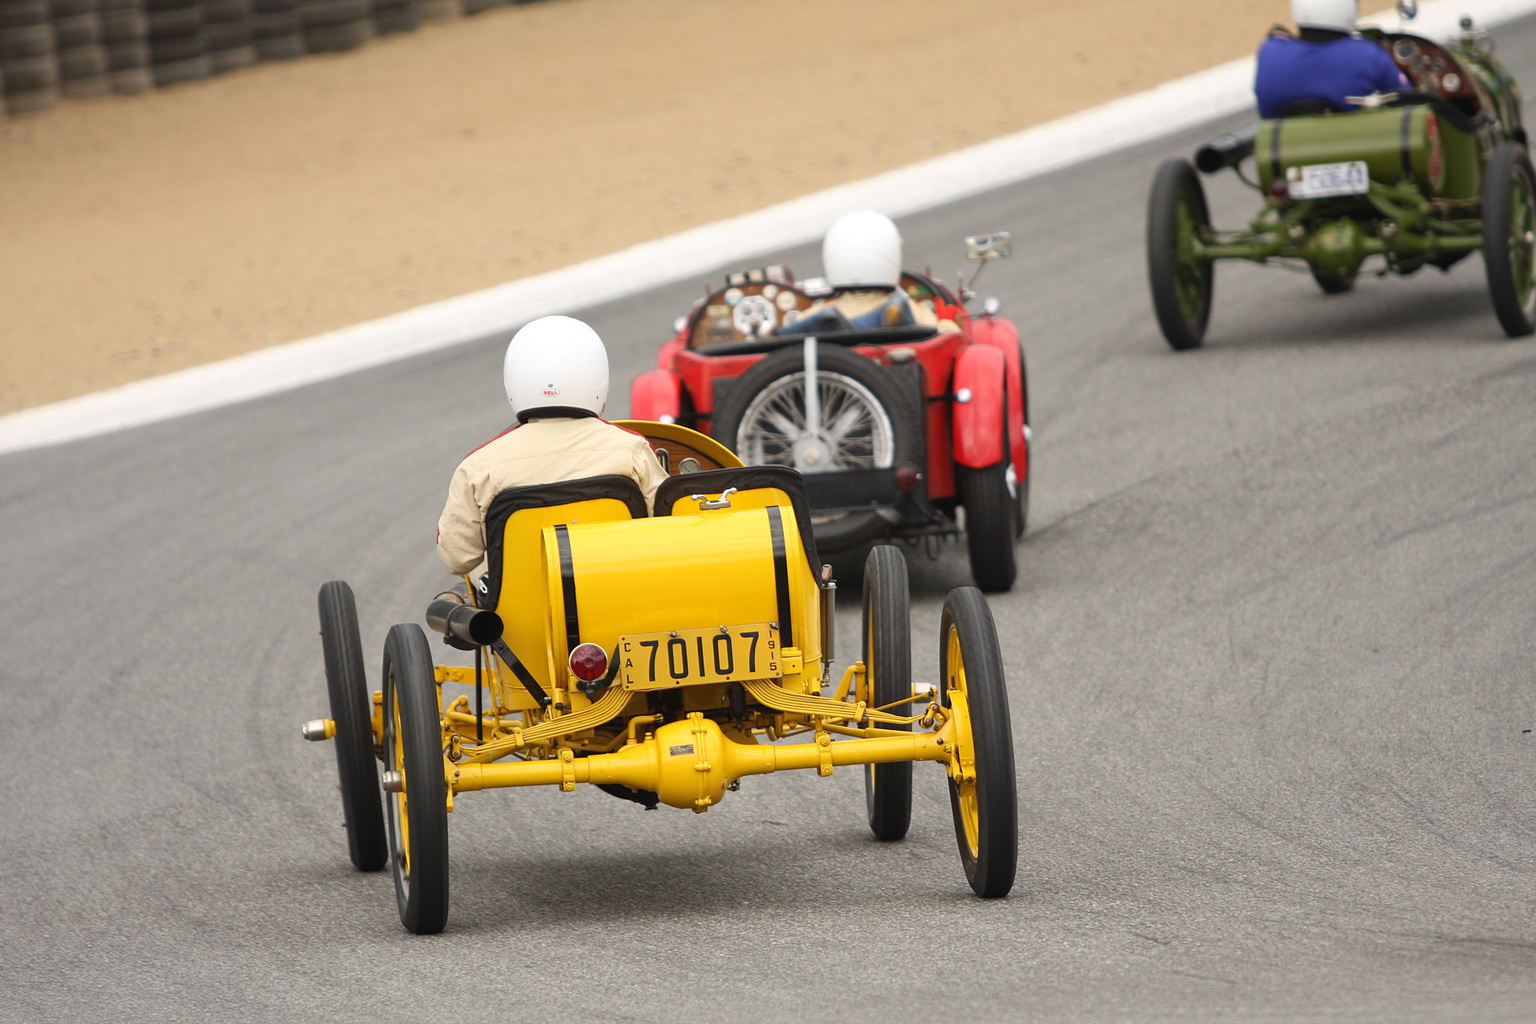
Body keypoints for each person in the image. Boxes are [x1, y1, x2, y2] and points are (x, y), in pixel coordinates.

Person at [435, 315, 669, 579]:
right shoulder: (632, 450)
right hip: (626, 605)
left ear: (514, 380)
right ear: (597, 377)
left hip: (522, 618)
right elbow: (669, 532)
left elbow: (457, 559)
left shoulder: (478, 467)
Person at [781, 210, 959, 335]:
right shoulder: (911, 310)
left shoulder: (814, 316)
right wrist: (948, 323)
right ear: (890, 253)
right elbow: (951, 337)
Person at [1254, 0, 1409, 119]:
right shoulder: (1367, 53)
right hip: (1353, 148)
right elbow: (1407, 101)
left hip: (1283, 152)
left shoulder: (1270, 51)